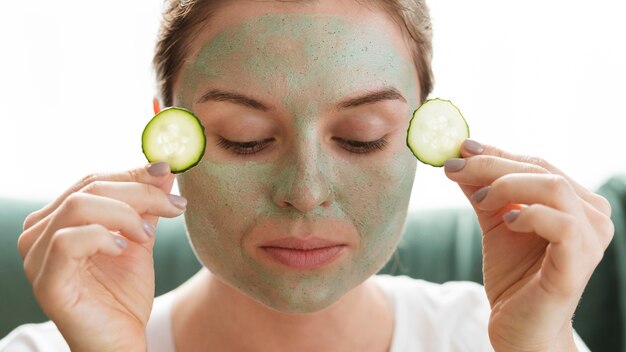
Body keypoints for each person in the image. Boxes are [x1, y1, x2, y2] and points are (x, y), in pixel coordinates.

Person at [0, 0, 614, 351]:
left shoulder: (496, 340)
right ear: (169, 135)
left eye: (362, 136)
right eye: (244, 138)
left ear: (422, 133)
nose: (305, 192)